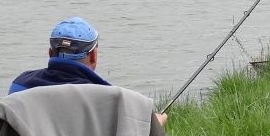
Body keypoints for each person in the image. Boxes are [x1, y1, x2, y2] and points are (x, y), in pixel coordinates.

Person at [10, 17, 168, 125]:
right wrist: (153, 127)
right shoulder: (110, 99)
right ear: (93, 56)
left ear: (50, 53)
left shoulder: (19, 87)